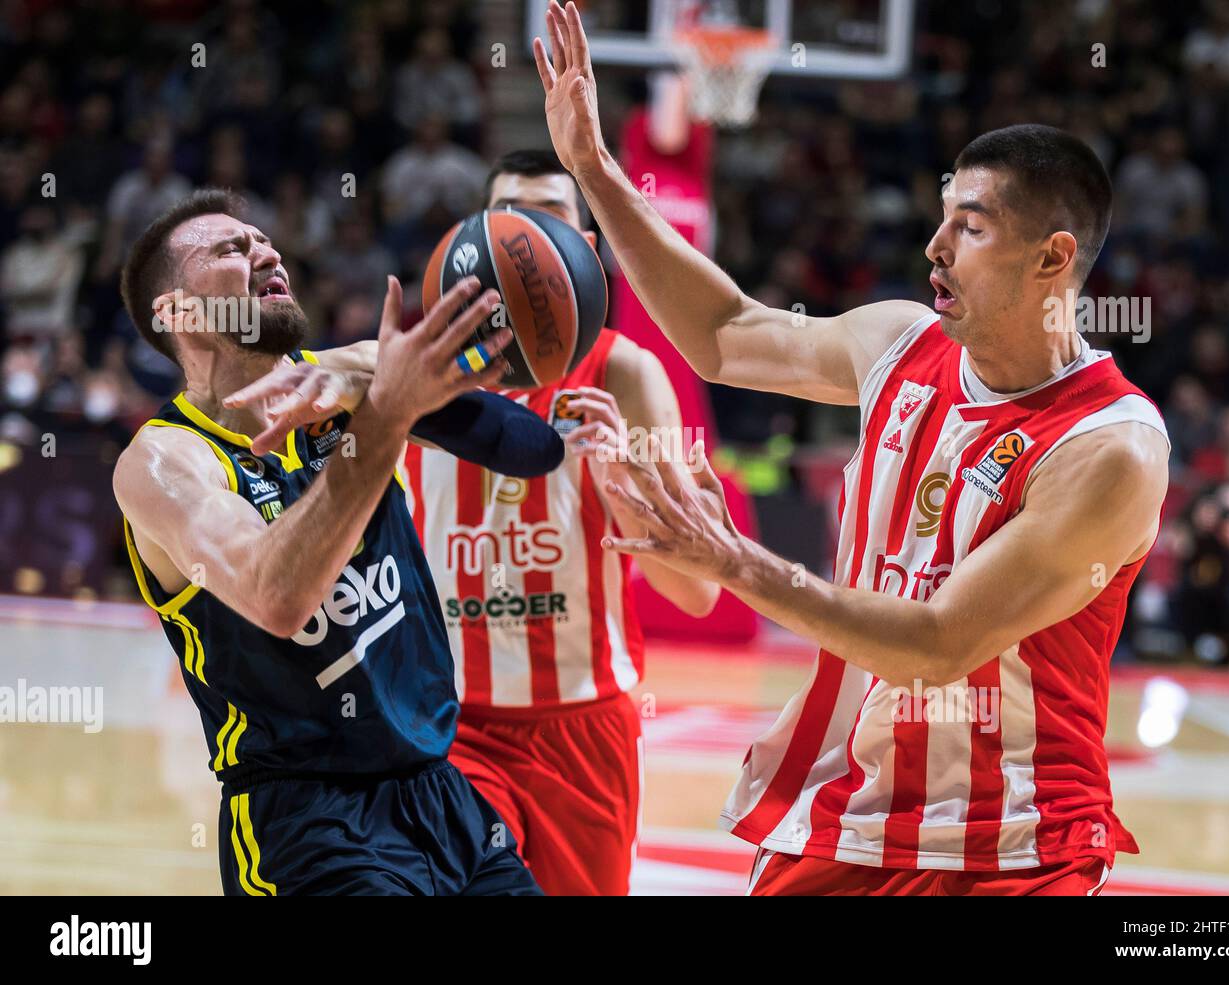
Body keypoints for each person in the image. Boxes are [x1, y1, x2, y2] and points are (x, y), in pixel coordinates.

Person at [533, 1, 1170, 896]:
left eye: (972, 227)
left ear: (1053, 258)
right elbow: (723, 333)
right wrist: (597, 171)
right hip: (845, 815)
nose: (935, 245)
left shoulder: (1112, 447)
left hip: (1015, 849)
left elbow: (941, 643)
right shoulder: (898, 344)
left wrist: (737, 561)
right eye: (943, 216)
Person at [234, 148, 721, 895]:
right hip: (448, 725)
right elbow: (323, 369)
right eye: (508, 216)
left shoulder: (627, 375)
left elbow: (694, 594)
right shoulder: (411, 364)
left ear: (585, 250)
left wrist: (625, 484)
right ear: (475, 242)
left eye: (548, 214)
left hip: (584, 728)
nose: (525, 232)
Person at [112, 188, 556, 895]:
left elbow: (537, 449)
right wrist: (385, 411)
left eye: (263, 239)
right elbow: (278, 594)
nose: (264, 250)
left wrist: (363, 377)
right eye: (229, 249)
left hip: (443, 798)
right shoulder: (164, 464)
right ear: (176, 311)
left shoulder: (351, 374)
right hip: (305, 821)